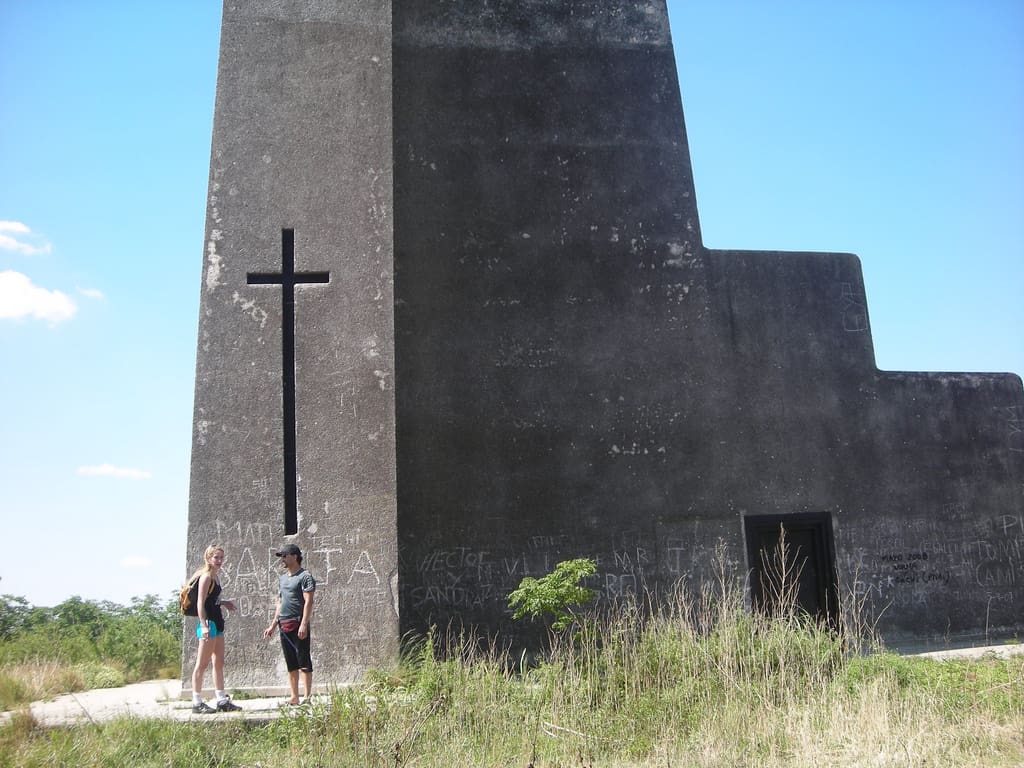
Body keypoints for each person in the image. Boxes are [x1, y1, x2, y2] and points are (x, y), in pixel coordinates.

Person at [188, 544, 242, 713]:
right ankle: (196, 702)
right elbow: (200, 602)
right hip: (208, 623)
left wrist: (225, 603)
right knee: (202, 664)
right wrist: (203, 625)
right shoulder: (205, 577)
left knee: (218, 662)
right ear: (208, 559)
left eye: (221, 557)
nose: (219, 561)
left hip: (217, 621)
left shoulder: (216, 577)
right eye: (216, 557)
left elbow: (213, 601)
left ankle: (221, 699)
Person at [263, 543, 316, 705]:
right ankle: (294, 697)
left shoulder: (305, 576)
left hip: (298, 623)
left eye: (285, 556)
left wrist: (304, 624)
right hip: (283, 625)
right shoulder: (282, 579)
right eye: (281, 556)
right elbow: (280, 602)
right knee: (291, 663)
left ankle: (307, 698)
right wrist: (273, 625)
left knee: (303, 661)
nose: (282, 559)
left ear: (295, 556)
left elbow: (309, 601)